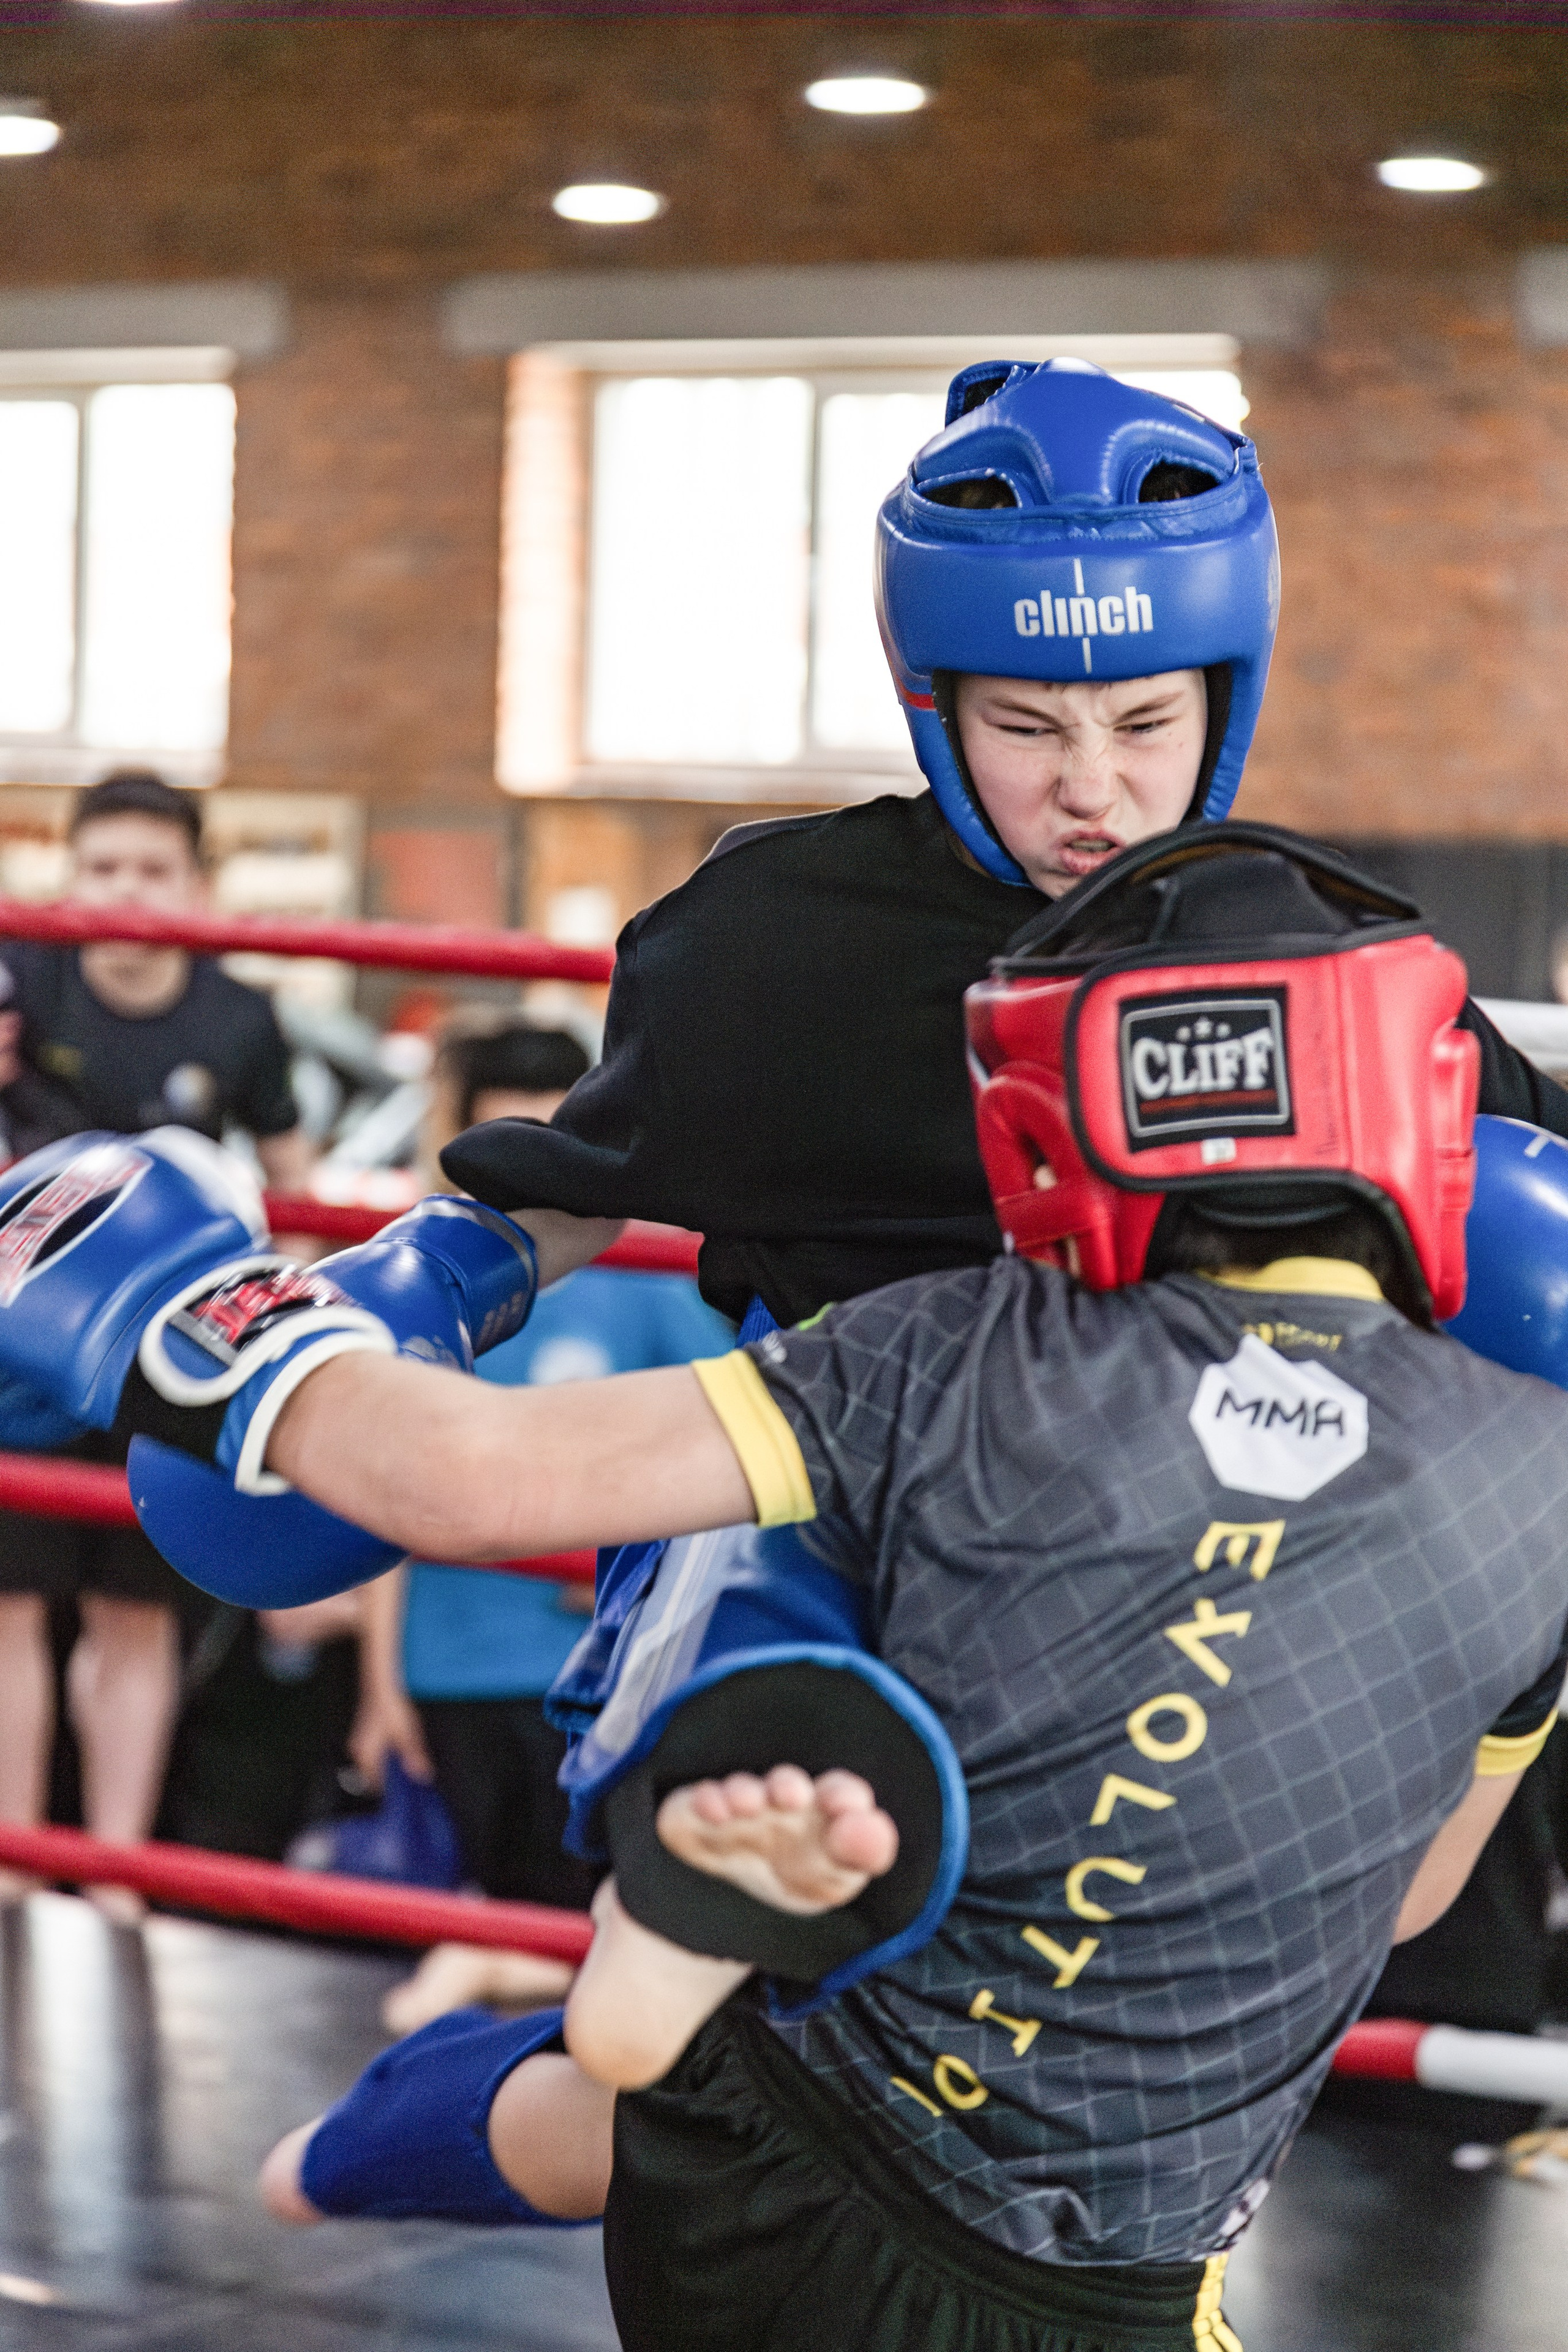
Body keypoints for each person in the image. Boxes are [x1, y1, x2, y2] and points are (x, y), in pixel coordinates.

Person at [0, 829, 1561, 2351]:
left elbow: (461, 1476)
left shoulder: (966, 1346)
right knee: (662, 2087)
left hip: (787, 2185)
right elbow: (1410, 1893)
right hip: (1134, 2280)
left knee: (669, 2021)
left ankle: (553, 1991)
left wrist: (174, 1309)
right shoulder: (1538, 1486)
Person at [443, 360, 1568, 1330]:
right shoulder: (770, 940)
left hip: (1192, 1521)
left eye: (1144, 726)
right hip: (823, 1512)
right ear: (935, 709)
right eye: (1026, 728)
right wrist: (392, 1304)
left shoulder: (1314, 951)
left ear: (1225, 705)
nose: (1089, 789)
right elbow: (564, 1195)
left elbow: (1534, 1177)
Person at [350, 1023, 731, 2032]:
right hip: (448, 1660)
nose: (526, 1191)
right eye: (498, 1159)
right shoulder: (426, 1289)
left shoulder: (647, 1276)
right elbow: (386, 1482)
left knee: (569, 1939)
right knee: (490, 1925)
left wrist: (621, 1547)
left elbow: (725, 1439)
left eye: (550, 1152)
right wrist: (380, 1682)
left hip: (582, 1673)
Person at [0, 769, 313, 1917]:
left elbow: (293, 1186)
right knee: (12, 1613)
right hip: (22, 1350)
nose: (124, 891)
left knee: (139, 1615)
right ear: (69, 874)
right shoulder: (23, 976)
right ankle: (19, 1858)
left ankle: (120, 1872)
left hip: (166, 1347)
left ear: (197, 883)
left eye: (150, 869)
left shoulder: (238, 1014)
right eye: (102, 867)